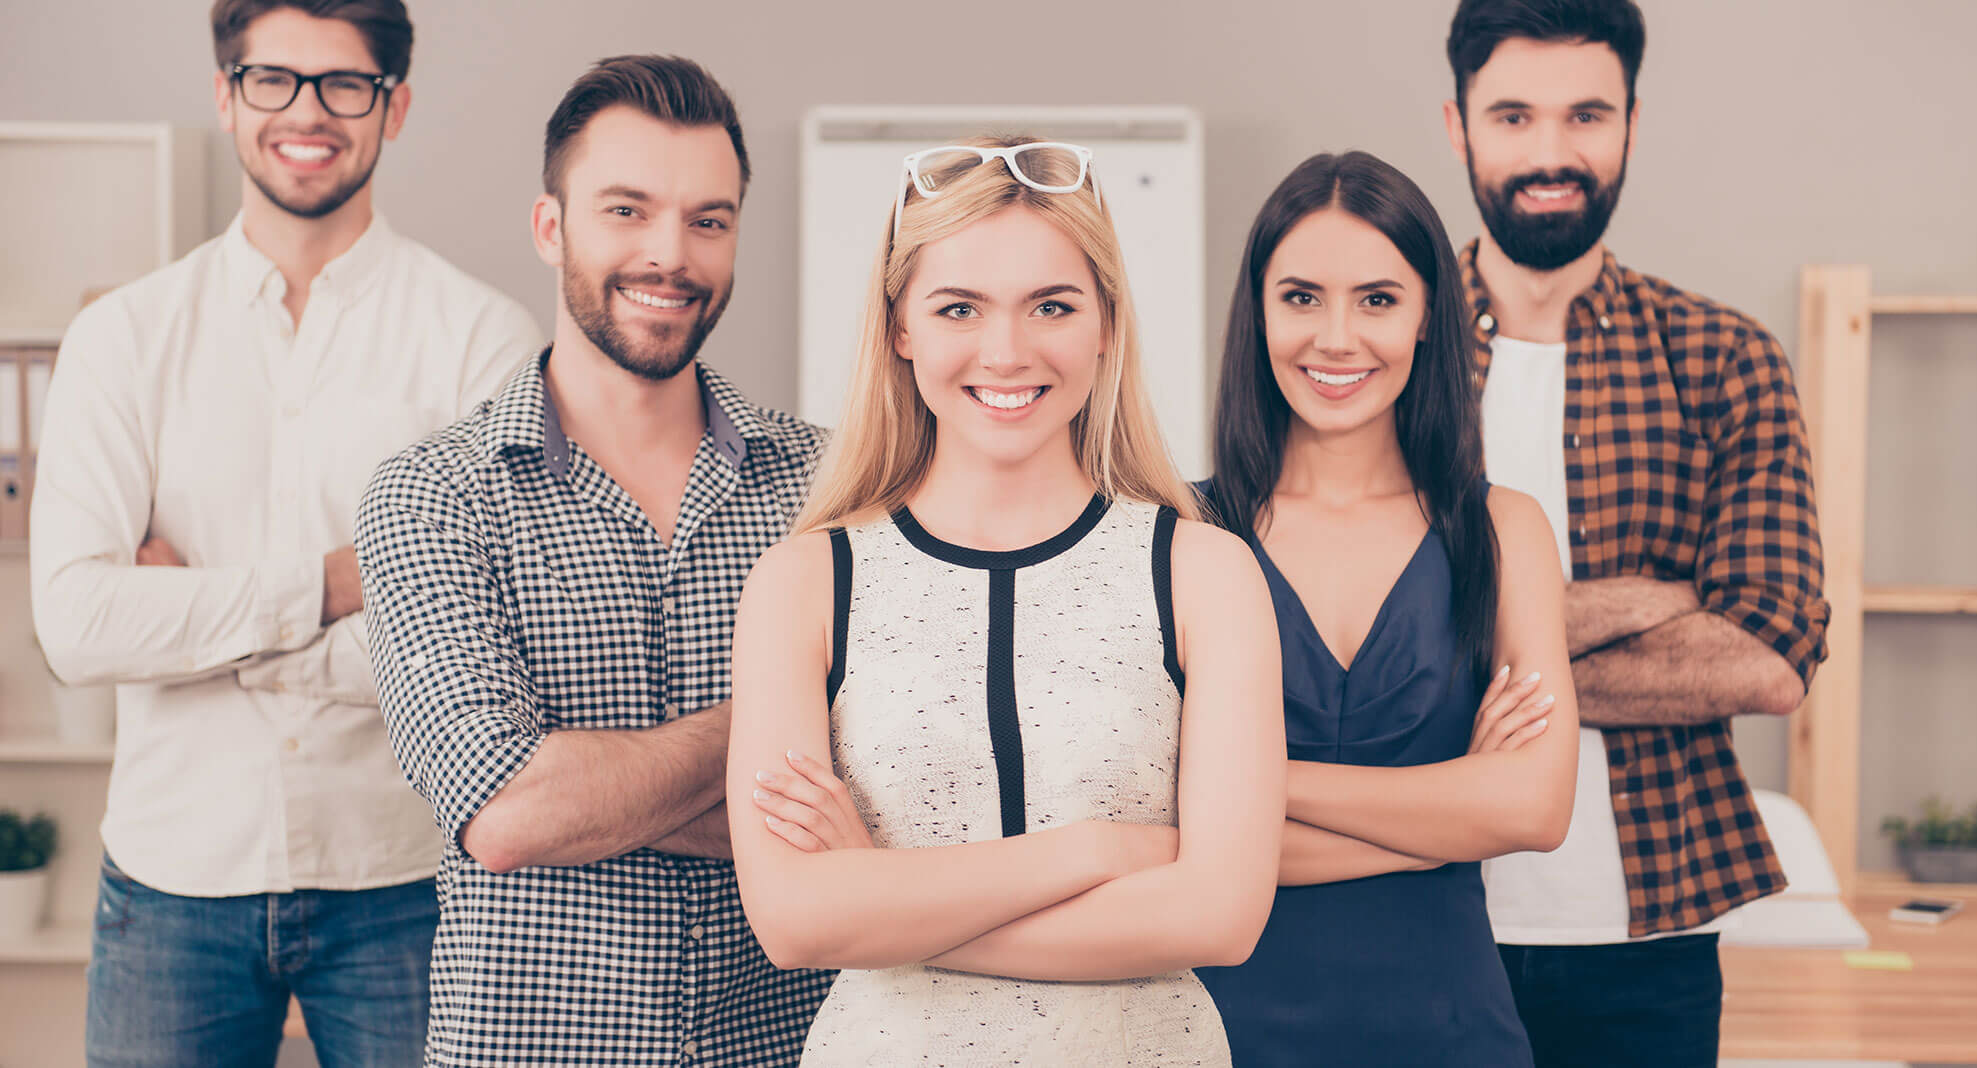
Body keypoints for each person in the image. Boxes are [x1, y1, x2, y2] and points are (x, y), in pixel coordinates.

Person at [28, 0, 542, 1063]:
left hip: (402, 881)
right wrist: (333, 585)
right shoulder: (122, 339)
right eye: (273, 79)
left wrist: (192, 623)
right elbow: (78, 624)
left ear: (392, 108)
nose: (307, 112)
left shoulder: (482, 341)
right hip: (174, 880)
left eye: (344, 84)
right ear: (226, 94)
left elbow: (482, 651)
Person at [728, 136, 1285, 1065]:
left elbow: (1221, 917)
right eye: (959, 308)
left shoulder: (1205, 572)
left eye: (1051, 306)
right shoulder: (803, 582)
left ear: (1106, 322)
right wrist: (1100, 851)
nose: (1007, 350)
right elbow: (793, 922)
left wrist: (879, 896)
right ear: (900, 328)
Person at [353, 54, 832, 1066]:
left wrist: (600, 790)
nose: (671, 255)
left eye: (708, 220)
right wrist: (779, 729)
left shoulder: (832, 487)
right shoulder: (431, 496)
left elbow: (888, 785)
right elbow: (505, 813)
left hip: (788, 1043)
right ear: (550, 226)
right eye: (627, 210)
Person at [1442, 2, 1831, 1064]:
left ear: (1629, 125)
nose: (1550, 153)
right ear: (1456, 125)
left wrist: (1464, 650)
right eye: (1513, 116)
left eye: (1585, 116)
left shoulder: (1721, 358)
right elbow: (1334, 639)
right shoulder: (1384, 350)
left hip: (1650, 938)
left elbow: (1766, 660)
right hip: (1417, 915)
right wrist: (1658, 600)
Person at [1191, 150, 1577, 1066]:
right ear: (1258, 313)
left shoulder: (1503, 528)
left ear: (1426, 316)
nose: (1335, 337)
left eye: (1376, 299)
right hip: (1218, 1036)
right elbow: (1151, 833)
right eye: (1300, 298)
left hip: (1451, 1034)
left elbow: (1534, 807)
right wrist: (1445, 820)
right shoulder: (1176, 529)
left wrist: (1242, 791)